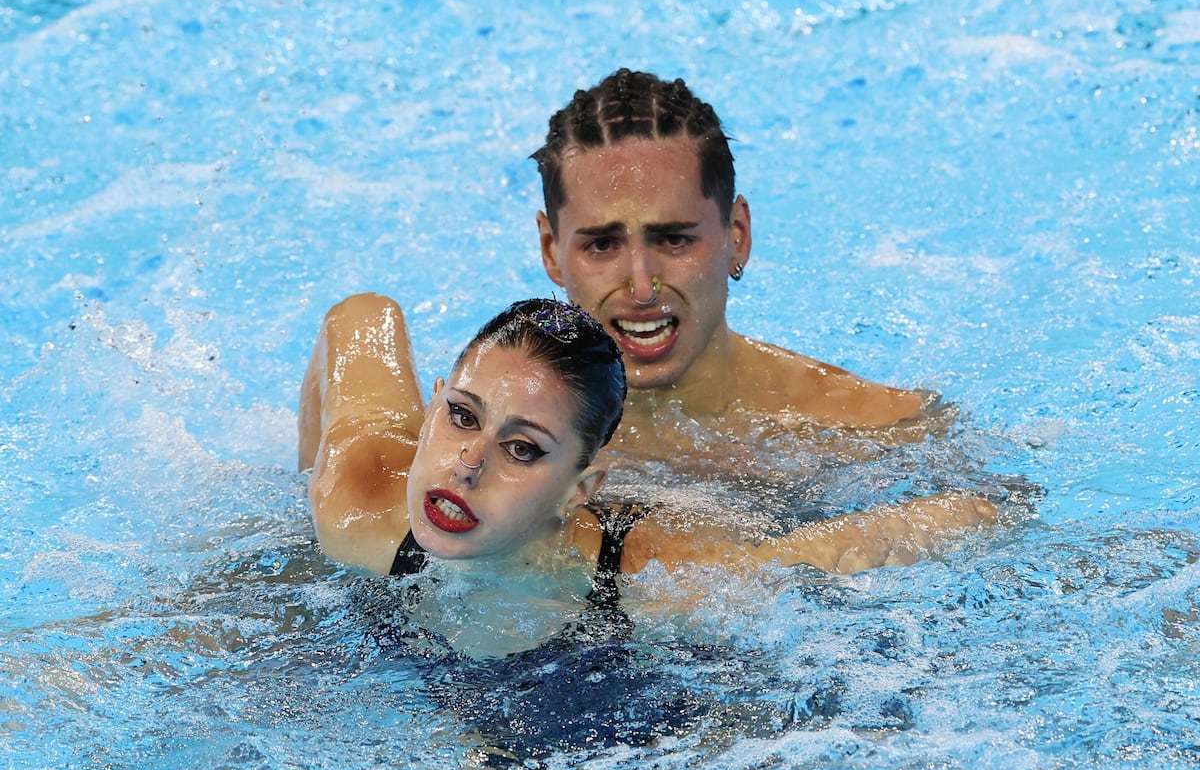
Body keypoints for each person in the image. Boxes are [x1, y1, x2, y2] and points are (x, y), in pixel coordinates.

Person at [298, 293, 996, 585]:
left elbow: (817, 556)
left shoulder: (654, 580)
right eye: (461, 415)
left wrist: (996, 503)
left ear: (579, 490)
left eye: (522, 449)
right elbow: (360, 317)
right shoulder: (355, 503)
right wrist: (301, 484)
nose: (467, 466)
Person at [532, 68, 932, 461]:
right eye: (602, 245)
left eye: (675, 239)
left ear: (736, 235)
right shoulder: (500, 436)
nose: (642, 288)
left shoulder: (875, 430)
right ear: (552, 250)